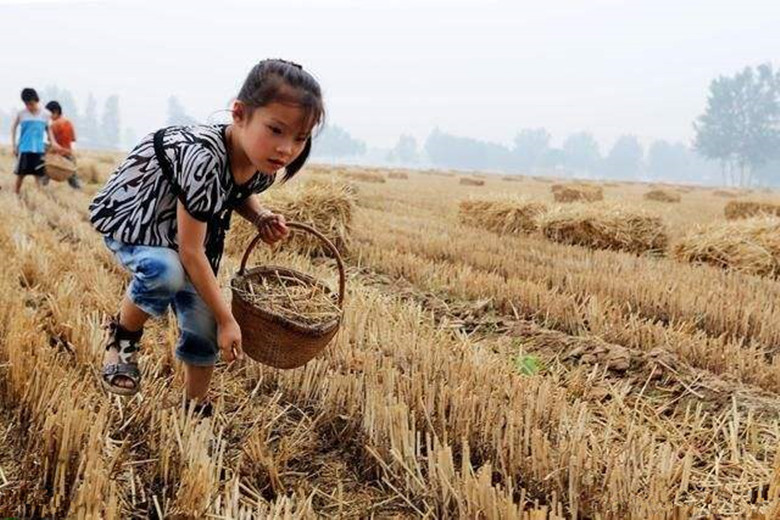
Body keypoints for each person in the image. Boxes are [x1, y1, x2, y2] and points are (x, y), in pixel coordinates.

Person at [89, 59, 324, 415]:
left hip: (190, 228)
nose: (286, 149)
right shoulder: (202, 158)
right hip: (141, 216)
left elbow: (238, 190)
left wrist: (259, 216)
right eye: (276, 129)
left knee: (204, 320)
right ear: (240, 114)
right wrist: (229, 318)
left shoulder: (262, 162)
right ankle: (123, 339)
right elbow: (190, 250)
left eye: (300, 137)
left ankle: (194, 407)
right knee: (165, 270)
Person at [10, 88, 62, 194]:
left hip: (38, 148)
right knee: (21, 174)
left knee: (38, 175)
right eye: (26, 104)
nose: (29, 106)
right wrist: (14, 145)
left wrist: (54, 142)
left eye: (31, 103)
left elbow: (48, 130)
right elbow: (14, 128)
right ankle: (16, 194)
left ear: (36, 100)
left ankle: (39, 196)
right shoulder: (21, 113)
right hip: (24, 148)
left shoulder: (45, 114)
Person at [45, 100, 83, 189]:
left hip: (57, 156)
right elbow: (73, 139)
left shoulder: (54, 125)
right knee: (74, 180)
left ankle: (41, 189)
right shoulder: (69, 123)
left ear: (55, 112)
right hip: (69, 155)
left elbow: (51, 142)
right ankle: (79, 192)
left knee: (45, 174)